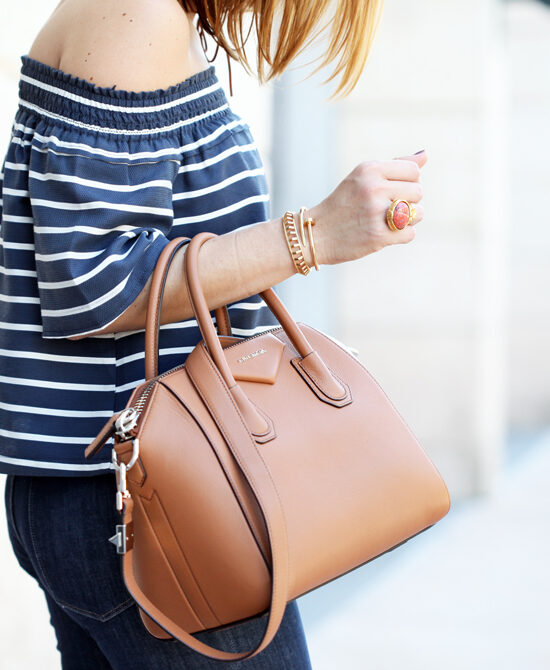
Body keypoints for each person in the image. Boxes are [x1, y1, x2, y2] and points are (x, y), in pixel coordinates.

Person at [0, 0, 427, 667]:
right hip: (153, 503)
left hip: (119, 494)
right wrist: (313, 234)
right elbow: (94, 285)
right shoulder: (137, 17)